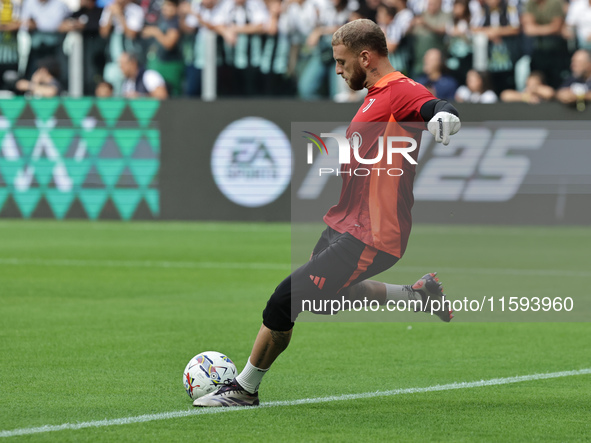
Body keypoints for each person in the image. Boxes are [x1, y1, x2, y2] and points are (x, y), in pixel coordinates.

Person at [193, 18, 460, 408]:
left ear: (365, 57)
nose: (337, 69)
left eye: (341, 61)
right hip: (345, 224)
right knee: (325, 300)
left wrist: (444, 114)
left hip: (372, 234)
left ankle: (243, 389)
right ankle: (417, 294)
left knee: (283, 302)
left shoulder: (400, 91)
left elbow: (431, 104)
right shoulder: (373, 94)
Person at [142, 0, 184, 96]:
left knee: (171, 95)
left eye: (170, 6)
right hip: (159, 63)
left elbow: (169, 43)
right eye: (165, 6)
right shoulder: (162, 20)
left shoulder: (175, 22)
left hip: (171, 66)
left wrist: (156, 32)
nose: (166, 9)